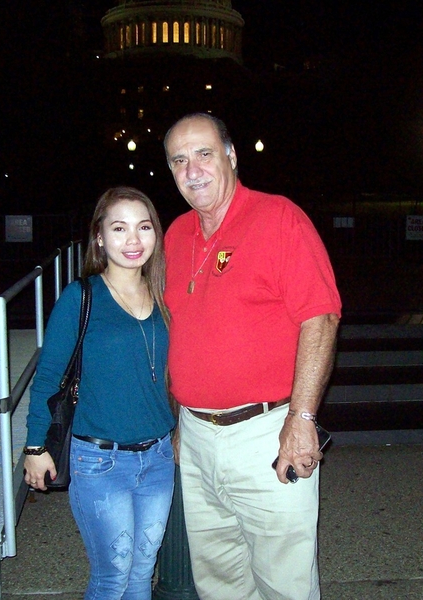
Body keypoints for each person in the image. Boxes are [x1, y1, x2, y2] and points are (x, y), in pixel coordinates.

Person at [163, 113, 341, 600]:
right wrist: (183, 420)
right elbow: (183, 333)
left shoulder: (279, 217)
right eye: (179, 160)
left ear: (231, 156)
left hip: (268, 433)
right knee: (219, 582)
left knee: (284, 583)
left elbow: (321, 317)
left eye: (204, 154)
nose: (192, 170)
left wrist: (302, 419)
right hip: (198, 438)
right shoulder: (175, 235)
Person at [23, 186, 176, 600]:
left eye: (143, 227)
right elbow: (49, 376)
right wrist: (36, 446)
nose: (133, 240)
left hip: (159, 457)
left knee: (143, 571)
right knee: (113, 574)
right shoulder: (81, 297)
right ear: (99, 238)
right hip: (99, 460)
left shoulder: (164, 295)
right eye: (119, 228)